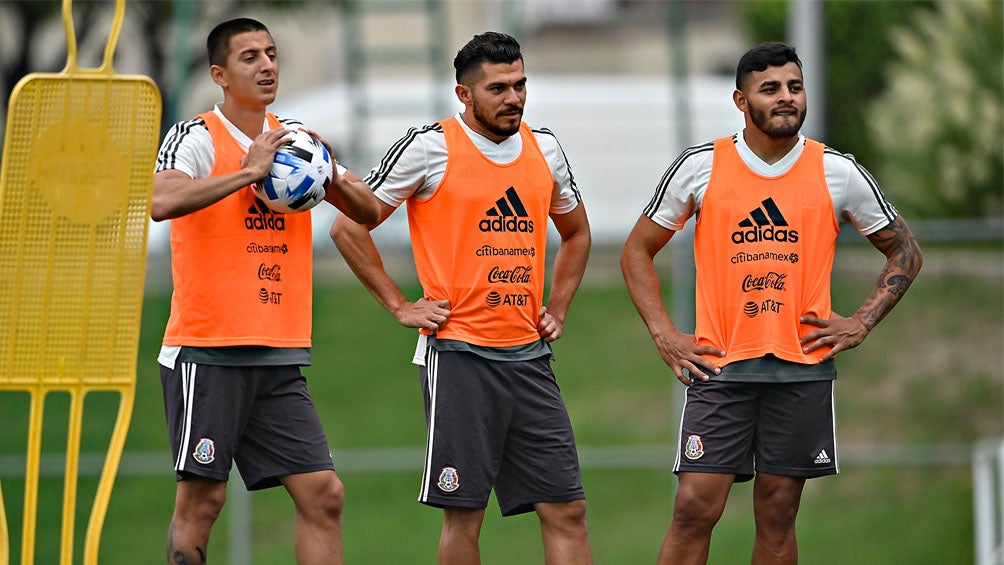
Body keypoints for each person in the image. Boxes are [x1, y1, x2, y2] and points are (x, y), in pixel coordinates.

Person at [620, 42, 923, 564]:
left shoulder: (837, 171)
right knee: (694, 506)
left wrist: (860, 324)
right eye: (771, 89)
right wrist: (666, 336)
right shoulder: (700, 166)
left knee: (779, 511)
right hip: (721, 368)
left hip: (802, 370)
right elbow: (635, 252)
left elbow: (906, 251)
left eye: (795, 87)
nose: (786, 97)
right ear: (741, 101)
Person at [331, 31, 594, 565]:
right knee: (465, 513)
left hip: (530, 359)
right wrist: (401, 306)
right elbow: (349, 228)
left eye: (520, 85)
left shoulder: (545, 149)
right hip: (459, 356)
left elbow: (578, 233)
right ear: (464, 94)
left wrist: (558, 306)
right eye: (498, 88)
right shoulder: (428, 146)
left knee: (566, 510)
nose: (514, 97)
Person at [150, 17, 380, 565]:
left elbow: (369, 211)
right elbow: (162, 201)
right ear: (220, 74)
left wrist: (330, 175)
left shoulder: (296, 141)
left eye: (271, 53)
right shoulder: (197, 136)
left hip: (279, 353)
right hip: (207, 350)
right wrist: (249, 172)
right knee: (203, 500)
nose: (267, 65)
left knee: (324, 495)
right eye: (249, 56)